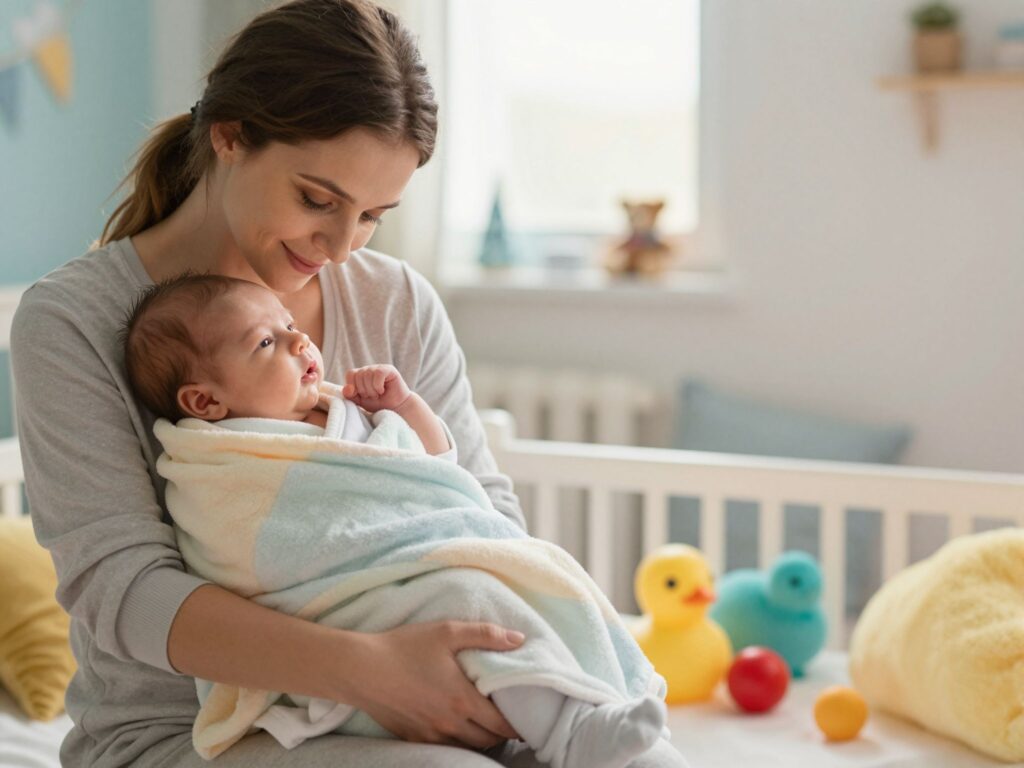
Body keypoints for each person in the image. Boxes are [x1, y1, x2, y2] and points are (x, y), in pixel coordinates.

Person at [10, 1, 686, 765]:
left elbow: (480, 511)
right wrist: (372, 673)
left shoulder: (394, 301)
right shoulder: (73, 321)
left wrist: (502, 663)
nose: (339, 246)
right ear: (230, 135)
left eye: (373, 215)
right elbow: (122, 591)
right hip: (186, 733)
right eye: (317, 201)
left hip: (434, 680)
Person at [120, 274, 676, 768]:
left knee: (530, 578)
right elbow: (246, 547)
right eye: (266, 343)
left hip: (416, 568)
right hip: (346, 616)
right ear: (205, 401)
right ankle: (568, 733)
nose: (299, 341)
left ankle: (594, 705)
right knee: (468, 599)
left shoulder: (340, 407)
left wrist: (405, 408)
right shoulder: (220, 465)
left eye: (290, 325)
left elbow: (432, 472)